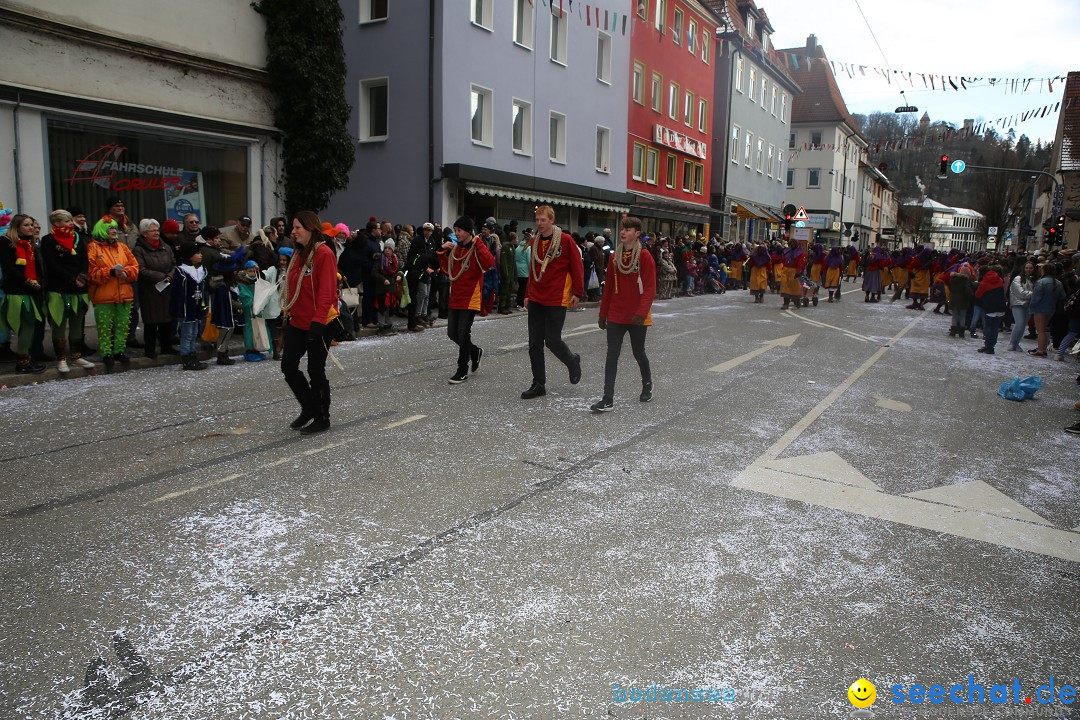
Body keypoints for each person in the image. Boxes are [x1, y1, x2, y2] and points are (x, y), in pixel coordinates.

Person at [279, 211, 339, 434]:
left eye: (297, 228)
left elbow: (326, 291)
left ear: (311, 229)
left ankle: (322, 417)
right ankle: (309, 407)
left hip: (320, 322)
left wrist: (318, 321)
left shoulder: (323, 253)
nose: (293, 232)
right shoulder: (298, 254)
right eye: (293, 228)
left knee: (316, 370)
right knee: (288, 366)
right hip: (298, 320)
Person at [591, 217, 656, 412]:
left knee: (638, 353)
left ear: (637, 233)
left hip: (637, 315)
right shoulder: (614, 257)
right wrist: (603, 314)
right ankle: (607, 398)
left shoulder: (644, 256)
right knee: (612, 356)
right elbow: (609, 287)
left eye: (628, 229)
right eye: (622, 229)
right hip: (617, 314)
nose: (623, 232)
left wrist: (641, 313)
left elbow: (650, 288)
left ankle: (647, 385)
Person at [521, 205, 584, 399]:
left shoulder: (565, 240)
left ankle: (572, 361)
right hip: (537, 297)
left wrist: (578, 292)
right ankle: (538, 383)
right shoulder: (534, 241)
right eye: (537, 220)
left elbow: (576, 266)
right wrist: (527, 293)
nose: (539, 224)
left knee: (553, 340)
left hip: (556, 297)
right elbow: (532, 269)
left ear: (552, 221)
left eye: (543, 220)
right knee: (534, 343)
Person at [438, 216, 495, 385]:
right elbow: (446, 270)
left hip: (471, 297)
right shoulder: (456, 250)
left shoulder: (476, 247)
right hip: (456, 296)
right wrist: (442, 251)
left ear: (469, 232)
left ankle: (462, 370)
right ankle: (474, 351)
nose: (456, 234)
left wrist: (478, 243)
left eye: (459, 231)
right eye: (455, 230)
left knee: (463, 332)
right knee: (452, 333)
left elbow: (489, 263)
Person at [40, 209, 95, 373]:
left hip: (78, 289)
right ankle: (61, 358)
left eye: (71, 221)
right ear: (56, 223)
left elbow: (85, 260)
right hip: (59, 288)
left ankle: (76, 356)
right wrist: (71, 278)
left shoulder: (78, 238)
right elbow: (52, 264)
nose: (71, 223)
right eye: (67, 221)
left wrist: (82, 276)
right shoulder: (48, 240)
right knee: (59, 323)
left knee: (77, 322)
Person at [87, 217, 139, 372]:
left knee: (122, 325)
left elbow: (135, 267)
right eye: (111, 228)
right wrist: (110, 272)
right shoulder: (93, 248)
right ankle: (106, 353)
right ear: (102, 230)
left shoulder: (122, 247)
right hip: (104, 295)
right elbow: (91, 273)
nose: (114, 231)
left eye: (115, 228)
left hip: (124, 294)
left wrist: (127, 273)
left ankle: (119, 351)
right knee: (105, 326)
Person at [0, 214, 46, 373]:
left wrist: (39, 282)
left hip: (31, 290)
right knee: (26, 325)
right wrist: (27, 282)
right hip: (16, 291)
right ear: (17, 227)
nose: (31, 228)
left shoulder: (29, 243)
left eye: (32, 225)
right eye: (27, 225)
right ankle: (23, 361)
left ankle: (26, 357)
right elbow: (9, 269)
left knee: (30, 325)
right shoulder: (6, 242)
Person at [133, 218, 177, 359]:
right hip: (150, 290)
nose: (156, 233)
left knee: (167, 319)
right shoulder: (139, 250)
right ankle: (150, 349)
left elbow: (174, 265)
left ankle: (166, 346)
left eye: (157, 230)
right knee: (151, 321)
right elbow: (141, 270)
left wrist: (170, 276)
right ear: (145, 233)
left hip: (167, 288)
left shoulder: (166, 247)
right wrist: (161, 276)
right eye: (152, 230)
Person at [170, 243, 209, 370]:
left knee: (194, 333)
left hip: (196, 307)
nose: (201, 255)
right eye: (198, 253)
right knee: (187, 334)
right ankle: (186, 359)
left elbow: (202, 289)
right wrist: (180, 308)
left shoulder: (201, 271)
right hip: (186, 308)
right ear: (190, 256)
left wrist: (203, 305)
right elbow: (178, 292)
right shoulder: (182, 271)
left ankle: (193, 356)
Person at [209, 248, 246, 365]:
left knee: (226, 334)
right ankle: (221, 355)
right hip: (224, 316)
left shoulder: (224, 284)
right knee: (224, 335)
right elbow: (227, 302)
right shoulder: (221, 287)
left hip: (226, 314)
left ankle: (224, 353)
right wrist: (240, 305)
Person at [1028, 263, 1066, 357]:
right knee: (1044, 329)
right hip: (1051, 309)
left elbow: (1036, 298)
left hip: (1040, 308)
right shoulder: (1058, 283)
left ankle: (1041, 350)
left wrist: (1031, 308)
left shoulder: (1041, 282)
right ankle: (1042, 348)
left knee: (1040, 330)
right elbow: (1063, 296)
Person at [974, 265, 1006, 354]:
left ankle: (988, 345)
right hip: (1000, 306)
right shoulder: (999, 280)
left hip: (990, 307)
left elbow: (978, 295)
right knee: (995, 328)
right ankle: (992, 346)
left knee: (988, 327)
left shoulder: (983, 284)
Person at [372, 238, 400, 335]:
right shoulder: (380, 259)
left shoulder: (395, 259)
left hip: (391, 287)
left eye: (389, 248)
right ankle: (381, 327)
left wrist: (398, 276)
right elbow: (374, 272)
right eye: (386, 248)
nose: (387, 250)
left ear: (393, 250)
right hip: (382, 288)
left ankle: (388, 324)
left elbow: (397, 271)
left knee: (390, 307)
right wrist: (383, 280)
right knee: (382, 308)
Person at [1007, 260, 1035, 351]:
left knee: (1023, 326)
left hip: (1029, 305)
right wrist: (1034, 294)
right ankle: (1012, 343)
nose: (1028, 270)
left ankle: (1016, 343)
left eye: (1030, 268)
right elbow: (1020, 293)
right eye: (1027, 268)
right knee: (1019, 323)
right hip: (1018, 303)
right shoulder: (1018, 279)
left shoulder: (1034, 279)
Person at [947, 265, 974, 338]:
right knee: (962, 316)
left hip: (954, 299)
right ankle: (961, 333)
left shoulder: (953, 279)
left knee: (954, 316)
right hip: (963, 300)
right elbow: (968, 291)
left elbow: (951, 288)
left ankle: (953, 331)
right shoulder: (966, 281)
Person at [779, 237, 806, 309]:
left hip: (794, 271)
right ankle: (786, 303)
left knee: (795, 287)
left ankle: (796, 300)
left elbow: (801, 263)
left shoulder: (800, 253)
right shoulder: (787, 251)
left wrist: (799, 271)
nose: (792, 245)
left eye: (794, 243)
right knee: (785, 286)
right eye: (791, 243)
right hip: (786, 270)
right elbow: (783, 260)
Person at [498, 230, 518, 314]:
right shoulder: (505, 247)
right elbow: (504, 262)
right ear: (513, 239)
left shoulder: (512, 247)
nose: (517, 240)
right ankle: (501, 307)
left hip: (511, 273)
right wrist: (505, 274)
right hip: (506, 273)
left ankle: (507, 306)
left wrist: (515, 273)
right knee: (504, 291)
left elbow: (513, 261)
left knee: (509, 291)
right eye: (516, 238)